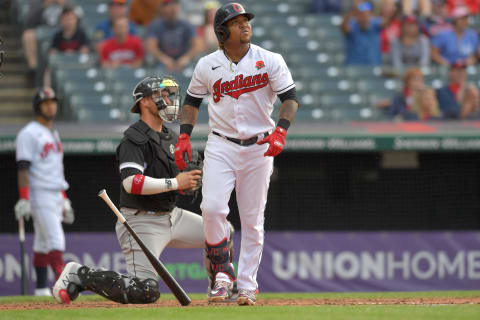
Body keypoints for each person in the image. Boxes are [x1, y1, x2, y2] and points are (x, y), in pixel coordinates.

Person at [52, 76, 234, 304]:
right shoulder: (133, 139)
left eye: (170, 95)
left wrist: (189, 183)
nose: (169, 100)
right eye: (164, 95)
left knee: (223, 232)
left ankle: (219, 288)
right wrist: (177, 182)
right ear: (146, 102)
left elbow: (177, 178)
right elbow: (131, 182)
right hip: (140, 222)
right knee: (145, 291)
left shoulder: (170, 136)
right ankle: (79, 274)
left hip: (172, 216)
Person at [174, 3, 299, 305]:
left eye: (246, 20)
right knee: (212, 208)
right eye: (236, 21)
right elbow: (191, 102)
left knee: (253, 220)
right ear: (221, 31)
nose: (244, 25)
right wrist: (183, 137)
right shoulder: (207, 64)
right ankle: (222, 275)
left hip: (259, 146)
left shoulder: (269, 60)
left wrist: (281, 130)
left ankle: (247, 286)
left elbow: (291, 99)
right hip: (221, 145)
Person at [15, 87, 74, 296]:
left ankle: (41, 289)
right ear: (37, 107)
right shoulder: (28, 133)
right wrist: (24, 198)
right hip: (39, 193)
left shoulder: (53, 133)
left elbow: (57, 169)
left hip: (55, 193)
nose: (51, 106)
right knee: (56, 240)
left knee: (41, 243)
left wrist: (64, 198)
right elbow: (23, 166)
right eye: (46, 103)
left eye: (53, 102)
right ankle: (64, 288)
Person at [21, 0, 83, 82]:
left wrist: (64, 5)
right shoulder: (39, 4)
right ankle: (34, 69)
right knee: (28, 35)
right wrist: (44, 5)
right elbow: (30, 21)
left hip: (65, 33)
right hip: (44, 32)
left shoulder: (70, 4)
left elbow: (80, 20)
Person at [145, 0, 202, 72]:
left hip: (184, 63)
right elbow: (150, 46)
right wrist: (163, 58)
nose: (173, 8)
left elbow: (198, 45)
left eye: (175, 4)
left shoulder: (186, 24)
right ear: (162, 8)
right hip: (161, 63)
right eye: (169, 5)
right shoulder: (156, 25)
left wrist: (186, 58)